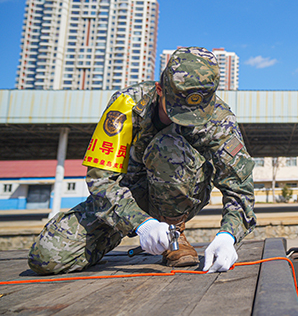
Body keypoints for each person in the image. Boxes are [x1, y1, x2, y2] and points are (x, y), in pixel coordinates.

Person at [28, 46, 256, 274]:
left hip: (182, 195)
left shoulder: (219, 119)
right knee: (46, 257)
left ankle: (174, 234)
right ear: (159, 90)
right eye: (178, 112)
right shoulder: (126, 106)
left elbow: (239, 187)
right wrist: (140, 224)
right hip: (125, 198)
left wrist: (228, 236)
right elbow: (100, 180)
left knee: (169, 145)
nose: (189, 121)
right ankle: (120, 237)